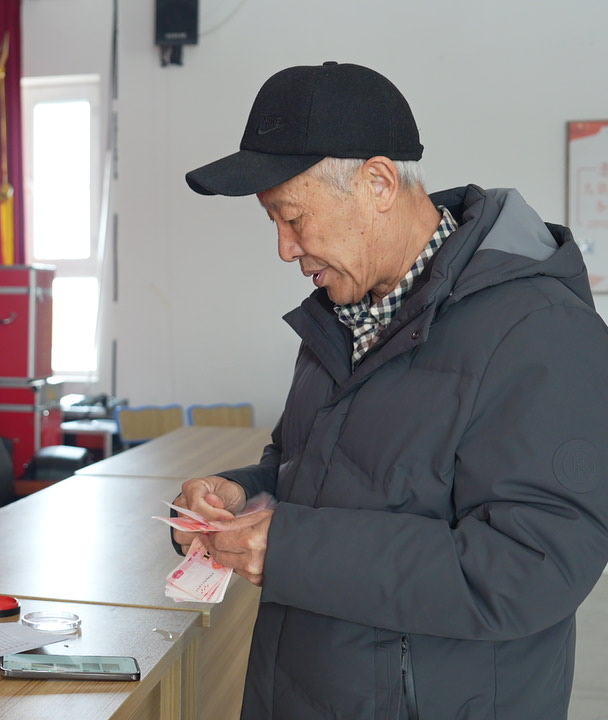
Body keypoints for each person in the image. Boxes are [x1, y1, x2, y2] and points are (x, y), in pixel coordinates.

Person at [175, 62, 608, 719]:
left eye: (292, 217)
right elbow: (316, 471)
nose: (285, 249)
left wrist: (290, 548)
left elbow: (532, 566)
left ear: (378, 183)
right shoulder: (340, 317)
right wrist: (245, 494)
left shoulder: (541, 328)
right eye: (273, 222)